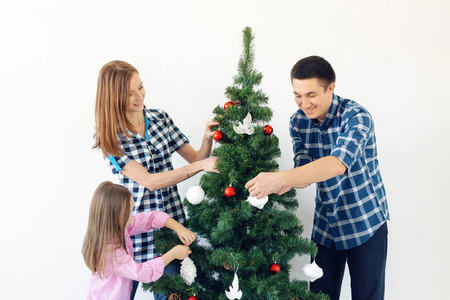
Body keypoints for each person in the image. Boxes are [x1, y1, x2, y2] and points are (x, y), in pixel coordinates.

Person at [245, 56, 389, 300]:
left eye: (311, 94)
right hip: (326, 227)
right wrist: (284, 182)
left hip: (365, 224)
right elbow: (304, 172)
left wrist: (281, 178)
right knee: (319, 296)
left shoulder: (357, 117)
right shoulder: (298, 122)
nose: (304, 103)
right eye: (297, 95)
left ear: (330, 87)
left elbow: (336, 164)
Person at [93, 60, 219, 299]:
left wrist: (207, 138)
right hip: (131, 230)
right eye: (129, 93)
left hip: (171, 224)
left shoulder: (160, 118)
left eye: (140, 87)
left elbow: (195, 158)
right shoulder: (110, 138)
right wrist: (198, 165)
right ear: (112, 98)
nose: (138, 96)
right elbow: (149, 181)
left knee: (174, 293)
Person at [82, 181, 195, 300]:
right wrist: (174, 253)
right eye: (128, 214)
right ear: (113, 218)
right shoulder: (109, 253)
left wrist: (179, 228)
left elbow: (151, 218)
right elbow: (141, 272)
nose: (131, 219)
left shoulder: (119, 229)